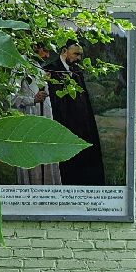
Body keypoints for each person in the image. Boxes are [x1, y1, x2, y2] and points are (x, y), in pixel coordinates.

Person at [43, 40, 106, 185]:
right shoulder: (50, 70)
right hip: (62, 124)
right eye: (76, 54)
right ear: (64, 51)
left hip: (81, 125)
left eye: (80, 55)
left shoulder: (77, 71)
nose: (79, 58)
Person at [10, 44, 61, 185]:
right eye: (45, 50)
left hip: (44, 119)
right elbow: (11, 97)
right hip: (29, 118)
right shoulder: (20, 64)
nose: (47, 56)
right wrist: (32, 100)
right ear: (35, 46)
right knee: (32, 160)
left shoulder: (38, 66)